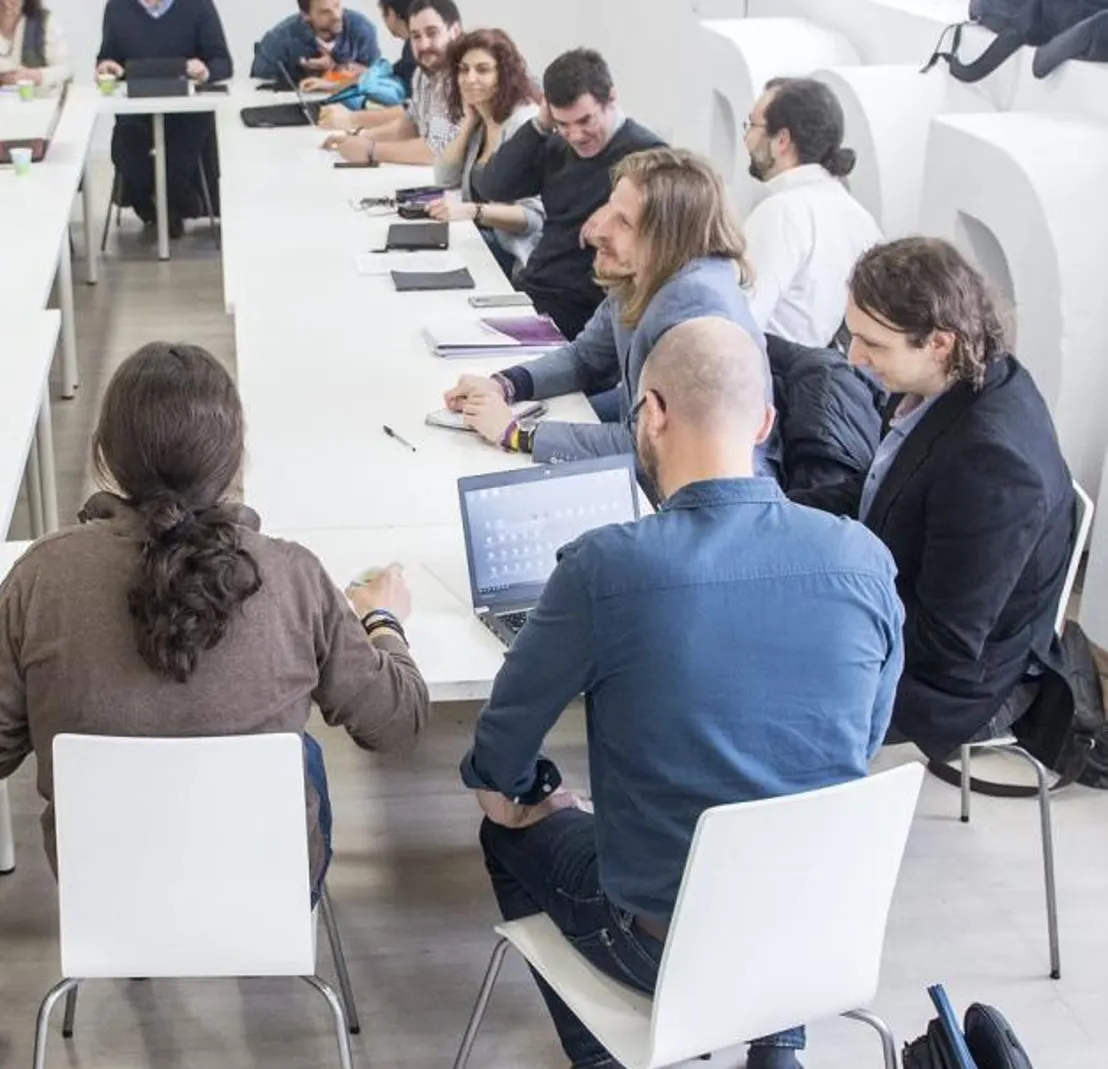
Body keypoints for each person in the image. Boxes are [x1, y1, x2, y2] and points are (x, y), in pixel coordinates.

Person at [464, 317, 902, 1069]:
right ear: (765, 422)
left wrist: (527, 795)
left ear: (653, 414)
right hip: (817, 938)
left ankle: (604, 1057)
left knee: (504, 832)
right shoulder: (862, 558)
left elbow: (499, 751)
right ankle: (775, 1045)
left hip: (659, 946)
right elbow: (862, 741)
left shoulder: (605, 568)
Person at [0, 343, 429, 887]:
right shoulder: (292, 575)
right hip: (265, 892)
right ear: (234, 456)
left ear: (104, 454)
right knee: (301, 750)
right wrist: (382, 621)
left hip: (102, 895)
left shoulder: (43, 574)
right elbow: (398, 723)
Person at [845, 238, 1075, 759]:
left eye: (873, 344)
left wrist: (831, 595)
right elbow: (878, 491)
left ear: (940, 342)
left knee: (762, 672)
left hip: (957, 688)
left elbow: (947, 644)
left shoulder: (992, 463)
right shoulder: (950, 382)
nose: (855, 357)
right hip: (906, 609)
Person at [444, 147, 767, 466]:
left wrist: (518, 433)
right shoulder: (646, 271)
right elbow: (586, 358)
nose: (599, 229)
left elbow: (657, 448)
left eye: (624, 222)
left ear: (668, 237)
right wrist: (504, 384)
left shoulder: (694, 312)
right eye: (609, 209)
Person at [477, 48, 667, 339]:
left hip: (586, 310)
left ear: (611, 99)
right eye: (563, 124)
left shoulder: (651, 157)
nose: (575, 135)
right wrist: (540, 125)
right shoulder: (557, 146)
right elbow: (493, 186)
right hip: (536, 291)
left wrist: (616, 209)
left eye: (585, 121)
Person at [742, 77, 883, 348]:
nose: (747, 138)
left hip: (776, 377)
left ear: (781, 140)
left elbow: (743, 320)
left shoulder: (782, 211)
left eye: (752, 126)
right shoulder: (862, 219)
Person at [95, 0, 233, 238]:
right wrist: (106, 67)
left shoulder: (198, 6)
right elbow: (108, 57)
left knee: (179, 155)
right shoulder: (118, 7)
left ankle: (175, 201)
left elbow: (222, 62)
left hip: (187, 112)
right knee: (127, 151)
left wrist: (205, 71)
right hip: (136, 110)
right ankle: (157, 207)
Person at [425, 29, 543, 278]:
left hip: (514, 258)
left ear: (504, 75)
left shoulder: (523, 124)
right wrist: (468, 124)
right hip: (481, 244)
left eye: (483, 69)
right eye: (463, 69)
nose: (470, 78)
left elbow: (533, 218)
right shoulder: (481, 119)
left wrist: (473, 211)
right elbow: (445, 178)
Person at [320, 0, 461, 167]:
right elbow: (412, 123)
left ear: (455, 31)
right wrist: (359, 138)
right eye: (416, 36)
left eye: (432, 33)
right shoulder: (423, 73)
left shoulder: (463, 75)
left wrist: (371, 149)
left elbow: (437, 149)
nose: (423, 45)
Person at [249, 0, 380, 83]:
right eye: (325, 12)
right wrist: (304, 73)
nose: (336, 16)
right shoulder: (279, 38)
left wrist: (337, 68)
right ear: (305, 15)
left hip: (349, 102)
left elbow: (379, 74)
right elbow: (258, 80)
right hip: (298, 105)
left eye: (337, 5)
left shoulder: (361, 29)